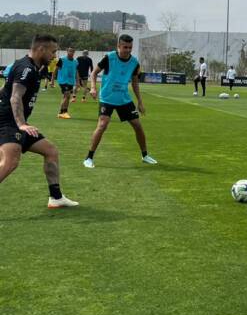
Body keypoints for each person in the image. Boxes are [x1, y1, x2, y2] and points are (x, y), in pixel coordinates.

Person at [0, 34, 79, 208]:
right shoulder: (25, 68)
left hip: (15, 123)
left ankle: (56, 198)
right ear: (41, 49)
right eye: (53, 51)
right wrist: (21, 124)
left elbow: (5, 90)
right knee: (11, 161)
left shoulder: (34, 68)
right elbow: (15, 97)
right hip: (8, 123)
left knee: (50, 151)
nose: (54, 56)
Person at [83, 34, 157, 168]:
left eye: (130, 47)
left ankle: (145, 155)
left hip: (124, 99)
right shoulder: (109, 58)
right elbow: (93, 73)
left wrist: (140, 101)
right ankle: (89, 158)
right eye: (125, 47)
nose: (128, 50)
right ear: (118, 46)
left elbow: (135, 83)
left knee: (138, 125)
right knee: (102, 125)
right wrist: (93, 88)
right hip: (107, 98)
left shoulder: (134, 63)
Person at [53, 47, 77, 119]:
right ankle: (61, 112)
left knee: (67, 96)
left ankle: (65, 112)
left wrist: (78, 81)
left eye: (72, 51)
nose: (71, 53)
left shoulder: (75, 62)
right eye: (70, 51)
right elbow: (55, 69)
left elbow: (76, 72)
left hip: (71, 81)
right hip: (63, 81)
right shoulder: (62, 60)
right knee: (67, 95)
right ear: (67, 51)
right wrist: (52, 80)